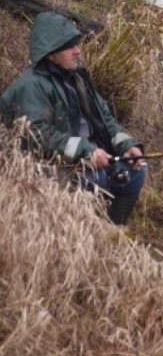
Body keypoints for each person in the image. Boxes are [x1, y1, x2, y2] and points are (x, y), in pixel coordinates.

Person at [0, 11, 147, 225]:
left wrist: (126, 145)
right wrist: (86, 152)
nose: (78, 51)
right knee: (97, 178)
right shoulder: (31, 86)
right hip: (49, 164)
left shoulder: (77, 78)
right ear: (51, 54)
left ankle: (113, 231)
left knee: (136, 170)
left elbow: (105, 119)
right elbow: (39, 138)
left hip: (90, 154)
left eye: (77, 44)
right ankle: (80, 235)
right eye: (70, 46)